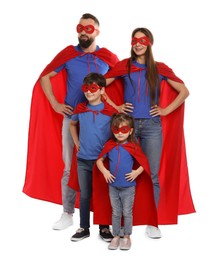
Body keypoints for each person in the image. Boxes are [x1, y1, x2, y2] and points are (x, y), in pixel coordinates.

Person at [22, 13, 120, 236]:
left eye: (89, 28)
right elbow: (45, 76)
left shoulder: (107, 57)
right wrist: (56, 104)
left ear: (97, 31)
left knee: (102, 166)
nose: (84, 31)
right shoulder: (68, 54)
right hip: (72, 118)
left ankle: (103, 220)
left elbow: (122, 78)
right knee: (70, 166)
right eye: (80, 27)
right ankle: (67, 213)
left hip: (100, 120)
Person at [103, 27, 195, 238]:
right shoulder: (124, 66)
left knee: (151, 173)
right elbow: (100, 85)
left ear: (150, 43)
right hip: (127, 128)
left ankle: (152, 222)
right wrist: (116, 107)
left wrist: (164, 110)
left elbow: (184, 91)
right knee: (121, 171)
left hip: (153, 127)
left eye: (142, 40)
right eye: (134, 40)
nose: (137, 43)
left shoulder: (159, 68)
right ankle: (123, 219)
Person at [69, 72, 118, 242]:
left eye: (93, 88)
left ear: (101, 90)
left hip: (102, 162)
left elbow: (120, 129)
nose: (89, 92)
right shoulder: (81, 109)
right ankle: (84, 227)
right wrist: (76, 143)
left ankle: (104, 227)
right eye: (86, 88)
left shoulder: (109, 112)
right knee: (84, 194)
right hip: (83, 160)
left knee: (103, 194)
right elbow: (72, 124)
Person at [96, 113, 148, 250]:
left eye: (123, 130)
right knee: (116, 212)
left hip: (128, 187)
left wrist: (136, 172)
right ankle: (116, 236)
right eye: (116, 130)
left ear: (130, 130)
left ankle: (127, 236)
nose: (119, 134)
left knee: (127, 212)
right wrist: (105, 172)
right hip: (113, 186)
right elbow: (99, 160)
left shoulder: (133, 146)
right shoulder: (110, 145)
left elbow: (144, 163)